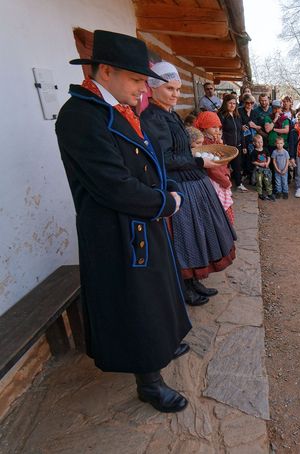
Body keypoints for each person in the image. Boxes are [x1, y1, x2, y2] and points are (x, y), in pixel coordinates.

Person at [57, 31, 191, 412]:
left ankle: (163, 342)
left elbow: (149, 160)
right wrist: (165, 202)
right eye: (135, 79)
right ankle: (149, 379)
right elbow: (114, 185)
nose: (142, 87)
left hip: (141, 219)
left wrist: (169, 186)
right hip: (115, 230)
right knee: (137, 303)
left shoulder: (120, 109)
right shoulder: (81, 116)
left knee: (157, 291)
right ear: (105, 71)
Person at [141, 61, 237, 306]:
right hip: (179, 185)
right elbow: (165, 158)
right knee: (184, 240)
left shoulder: (169, 114)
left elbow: (180, 148)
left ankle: (194, 281)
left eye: (177, 89)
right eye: (169, 89)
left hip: (193, 181)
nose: (175, 94)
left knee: (198, 236)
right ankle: (183, 288)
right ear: (153, 88)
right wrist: (198, 162)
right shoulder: (152, 117)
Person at [195, 111, 236, 224]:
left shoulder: (214, 141)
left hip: (220, 178)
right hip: (214, 182)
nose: (217, 130)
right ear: (204, 127)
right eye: (213, 127)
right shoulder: (204, 145)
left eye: (218, 127)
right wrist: (225, 181)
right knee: (219, 209)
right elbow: (212, 169)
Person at [218, 94, 247, 192]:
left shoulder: (237, 116)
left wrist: (243, 145)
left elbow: (241, 131)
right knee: (224, 167)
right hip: (226, 147)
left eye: (234, 103)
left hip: (237, 146)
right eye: (230, 103)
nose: (232, 105)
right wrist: (224, 144)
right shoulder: (221, 115)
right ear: (225, 103)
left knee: (237, 166)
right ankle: (224, 186)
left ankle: (239, 184)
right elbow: (220, 131)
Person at [251, 134, 274, 201]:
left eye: (261, 142)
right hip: (259, 169)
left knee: (268, 180)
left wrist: (267, 163)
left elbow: (269, 157)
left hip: (266, 168)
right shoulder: (254, 152)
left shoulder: (265, 149)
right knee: (259, 181)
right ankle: (260, 193)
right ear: (254, 143)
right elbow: (253, 161)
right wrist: (260, 164)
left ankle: (270, 193)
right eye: (258, 142)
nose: (260, 144)